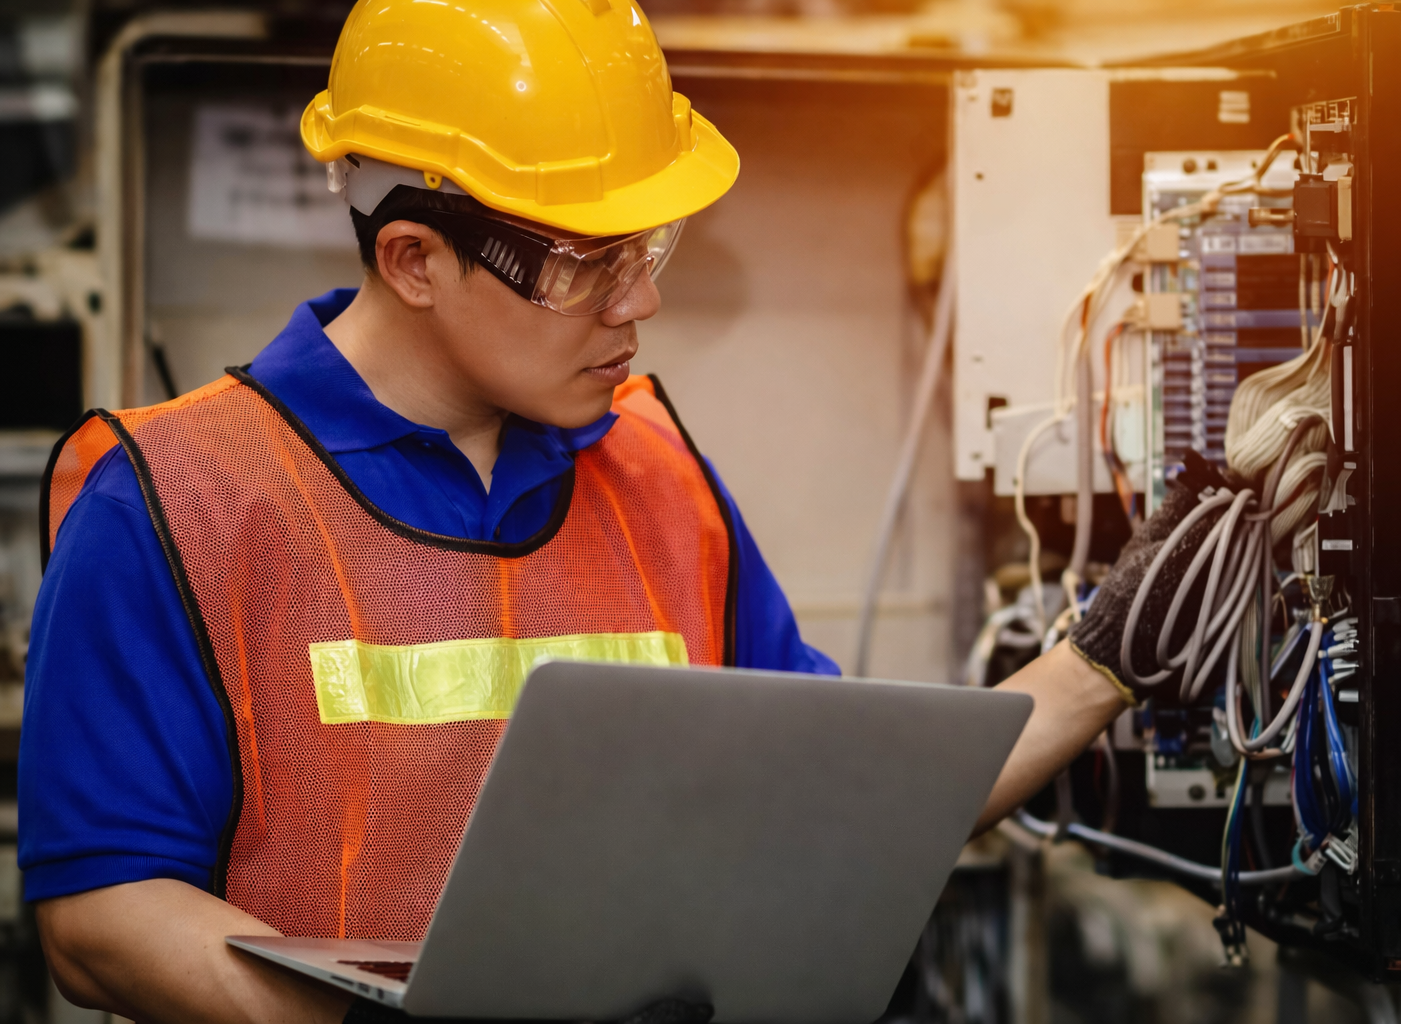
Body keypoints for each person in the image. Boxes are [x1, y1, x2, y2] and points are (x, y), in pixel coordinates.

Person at [20, 1, 1142, 1020]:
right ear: (413, 255)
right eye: (584, 263)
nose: (642, 301)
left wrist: (1106, 659)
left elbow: (845, 798)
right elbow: (102, 916)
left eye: (648, 249)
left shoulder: (654, 470)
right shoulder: (174, 499)